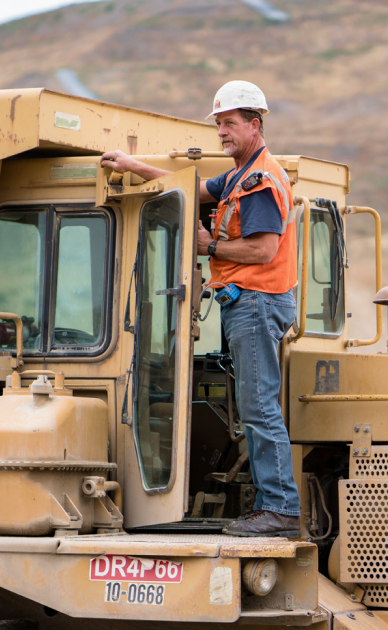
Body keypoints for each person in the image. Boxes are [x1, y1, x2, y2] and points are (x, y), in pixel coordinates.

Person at [100, 80, 300, 537]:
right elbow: (188, 188)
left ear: (254, 125)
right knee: (256, 406)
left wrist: (212, 246)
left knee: (259, 408)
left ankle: (281, 511)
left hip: (255, 302)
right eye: (219, 125)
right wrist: (134, 166)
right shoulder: (237, 177)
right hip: (248, 304)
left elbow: (263, 251)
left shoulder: (258, 181)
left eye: (229, 124)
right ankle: (275, 507)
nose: (222, 132)